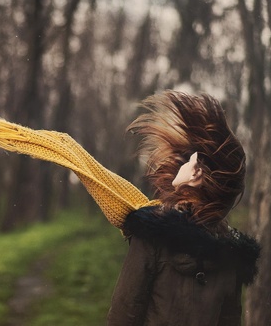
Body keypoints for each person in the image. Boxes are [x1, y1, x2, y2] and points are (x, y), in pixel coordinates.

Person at [107, 91, 260, 326]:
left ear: (196, 174)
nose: (184, 163)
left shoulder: (153, 235)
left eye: (190, 160)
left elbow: (124, 314)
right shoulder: (230, 253)